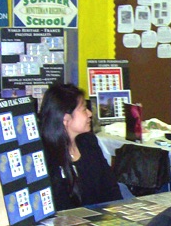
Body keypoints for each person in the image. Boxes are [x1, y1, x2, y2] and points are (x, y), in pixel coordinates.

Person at [39, 82, 128, 210]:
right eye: (84, 109)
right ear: (65, 118)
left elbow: (110, 188)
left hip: (102, 217)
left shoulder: (88, 142)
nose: (90, 113)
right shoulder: (45, 157)